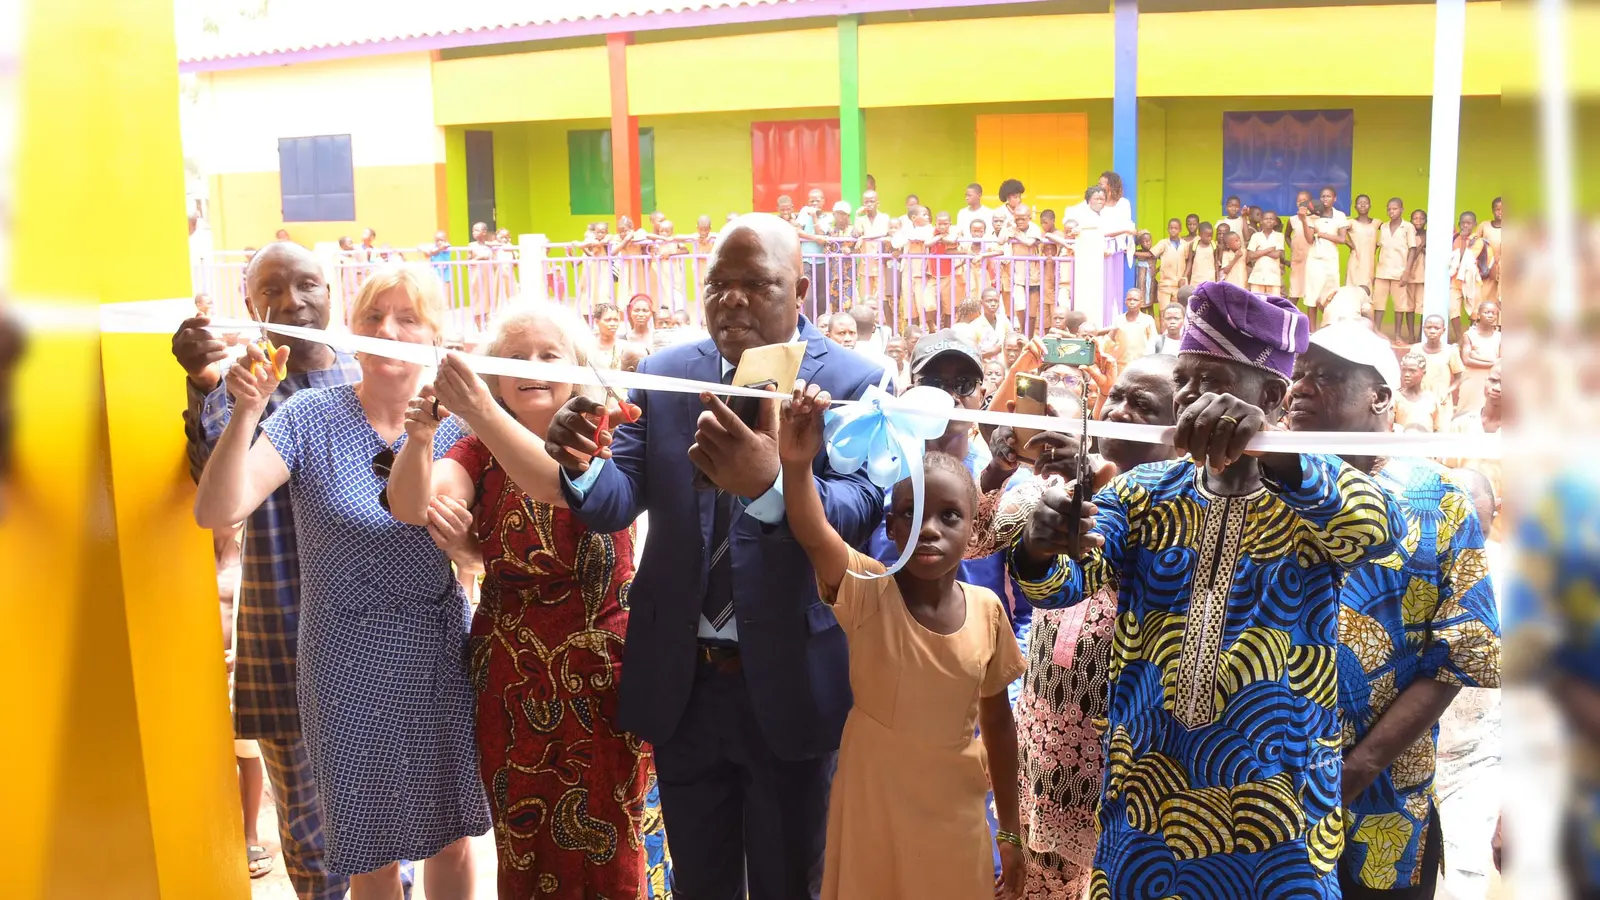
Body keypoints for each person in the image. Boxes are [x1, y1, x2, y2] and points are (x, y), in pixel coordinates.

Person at [1009, 281, 1401, 898]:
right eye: (1184, 381)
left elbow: (1378, 530)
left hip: (1279, 819)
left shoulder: (1312, 493)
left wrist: (1281, 459)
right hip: (1146, 809)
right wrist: (1041, 541)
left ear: (1271, 395)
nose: (1191, 398)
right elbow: (1062, 584)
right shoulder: (1144, 494)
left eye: (1210, 381)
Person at [540, 214, 887, 899]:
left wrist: (774, 485)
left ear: (800, 287)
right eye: (718, 285)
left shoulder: (854, 381)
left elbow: (857, 510)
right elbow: (618, 497)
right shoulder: (667, 374)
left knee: (792, 881)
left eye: (755, 284)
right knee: (700, 881)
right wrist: (579, 464)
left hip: (793, 687)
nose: (731, 299)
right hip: (685, 685)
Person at [191, 264, 490, 897]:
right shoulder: (309, 415)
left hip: (439, 653)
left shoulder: (461, 424)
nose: (388, 330)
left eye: (408, 318)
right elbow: (216, 511)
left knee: (454, 839)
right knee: (368, 850)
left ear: (434, 336)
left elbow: (484, 553)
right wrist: (245, 409)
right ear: (351, 332)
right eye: (373, 318)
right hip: (343, 661)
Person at [386, 302, 673, 898]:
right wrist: (418, 439)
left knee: (616, 836)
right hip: (510, 682)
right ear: (490, 371)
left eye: (549, 355)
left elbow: (558, 484)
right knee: (524, 843)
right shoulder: (474, 449)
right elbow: (413, 507)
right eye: (514, 357)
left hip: (605, 675)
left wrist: (480, 410)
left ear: (577, 369)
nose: (533, 367)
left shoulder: (607, 429)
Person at [172, 242, 373, 900]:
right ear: (251, 304)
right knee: (316, 845)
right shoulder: (247, 387)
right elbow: (214, 482)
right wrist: (206, 385)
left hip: (381, 644)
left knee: (389, 827)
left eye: (306, 284)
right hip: (289, 640)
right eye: (274, 290)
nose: (292, 301)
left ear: (332, 288)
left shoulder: (370, 373)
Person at [778, 381, 1026, 898]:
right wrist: (797, 466)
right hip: (875, 796)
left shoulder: (987, 611)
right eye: (910, 514)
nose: (928, 529)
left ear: (974, 525)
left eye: (949, 516)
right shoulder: (867, 591)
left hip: (953, 804)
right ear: (890, 526)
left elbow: (999, 728)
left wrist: (1011, 832)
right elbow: (811, 528)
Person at [1284, 322, 1500, 900]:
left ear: (1381, 396)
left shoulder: (1437, 498)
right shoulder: (1263, 486)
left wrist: (1357, 770)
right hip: (1263, 792)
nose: (1299, 389)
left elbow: (1465, 651)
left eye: (1325, 377)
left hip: (1382, 797)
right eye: (1297, 375)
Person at [1009, 354, 1180, 898]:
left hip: (1118, 761)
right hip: (1046, 748)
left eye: (1143, 405)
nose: (1122, 411)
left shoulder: (1179, 514)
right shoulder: (1069, 488)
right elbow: (984, 535)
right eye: (1118, 398)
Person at [1300, 185, 1351, 320]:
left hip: (1331, 261)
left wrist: (1321, 234)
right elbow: (1310, 239)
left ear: (1335, 198)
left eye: (1328, 196)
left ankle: (1330, 326)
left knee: (1331, 296)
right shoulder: (1313, 215)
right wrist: (1304, 220)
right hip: (1314, 261)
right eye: (1322, 196)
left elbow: (1342, 239)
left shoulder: (1340, 215)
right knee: (1312, 297)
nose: (1325, 199)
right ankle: (1311, 333)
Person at [1373, 199, 1417, 341]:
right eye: (1389, 209)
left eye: (1395, 209)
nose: (1392, 212)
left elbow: (1412, 250)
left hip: (1399, 273)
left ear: (1401, 210)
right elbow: (1379, 247)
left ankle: (1397, 335)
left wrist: (1407, 272)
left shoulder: (1408, 227)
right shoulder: (1384, 227)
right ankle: (1376, 332)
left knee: (1399, 306)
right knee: (1378, 304)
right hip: (1382, 272)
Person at [1412, 314, 1465, 420]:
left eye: (1437, 328)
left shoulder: (1451, 351)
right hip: (1419, 399)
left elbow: (1460, 376)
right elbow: (1408, 373)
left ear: (1443, 330)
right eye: (1428, 327)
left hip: (1441, 400)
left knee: (1441, 432)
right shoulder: (1415, 349)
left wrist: (1448, 391)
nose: (1432, 331)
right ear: (1423, 329)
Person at [1449, 211, 1492, 342]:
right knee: (1453, 309)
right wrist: (1460, 239)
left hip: (1472, 281)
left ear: (1474, 224)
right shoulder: (1454, 238)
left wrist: (1463, 242)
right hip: (1455, 281)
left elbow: (1465, 259)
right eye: (1463, 223)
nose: (1465, 226)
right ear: (1459, 223)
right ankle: (1458, 337)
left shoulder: (1478, 241)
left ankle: (1471, 337)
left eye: (1468, 223)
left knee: (1474, 311)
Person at [1458, 299, 1501, 416]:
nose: (1491, 315)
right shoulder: (1469, 335)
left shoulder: (1499, 337)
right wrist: (1493, 363)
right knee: (1467, 412)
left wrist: (1495, 363)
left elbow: (1502, 361)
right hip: (1471, 380)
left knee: (1486, 412)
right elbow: (1466, 360)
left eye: (1494, 313)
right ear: (1478, 315)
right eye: (1487, 312)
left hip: (1491, 381)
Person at [1393, 350, 1448, 432]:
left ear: (1423, 373)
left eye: (1412, 371)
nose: (1407, 374)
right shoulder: (1395, 398)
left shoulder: (1432, 399)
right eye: (1404, 370)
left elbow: (1438, 429)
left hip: (1426, 444)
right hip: (1403, 443)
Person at [1106, 288, 1156, 368]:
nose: (1132, 302)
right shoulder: (1118, 320)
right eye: (1129, 299)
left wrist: (1148, 363)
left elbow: (1152, 342)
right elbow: (1109, 341)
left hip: (1141, 366)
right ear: (1125, 302)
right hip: (1121, 366)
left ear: (1141, 302)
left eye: (1135, 300)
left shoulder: (1148, 320)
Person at [593, 302, 645, 372]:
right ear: (597, 322)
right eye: (608, 320)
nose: (613, 324)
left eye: (616, 320)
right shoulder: (589, 347)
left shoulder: (626, 348)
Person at [1286, 189, 1315, 306]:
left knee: (1313, 292)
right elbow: (1287, 235)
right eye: (1299, 200)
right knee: (1295, 291)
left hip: (1312, 260)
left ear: (1310, 202)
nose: (1301, 202)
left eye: (1304, 200)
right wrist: (1292, 247)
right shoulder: (1292, 219)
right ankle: (1289, 316)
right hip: (1298, 260)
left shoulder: (1315, 219)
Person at [1345, 194, 1379, 293]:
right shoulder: (1350, 222)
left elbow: (1389, 233)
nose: (1363, 205)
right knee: (1352, 292)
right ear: (1355, 207)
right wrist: (1348, 243)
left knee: (1367, 292)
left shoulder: (1377, 223)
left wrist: (1376, 246)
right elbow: (1337, 231)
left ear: (1370, 206)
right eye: (1360, 203)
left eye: (1366, 203)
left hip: (1369, 263)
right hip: (1355, 261)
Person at [1247, 212, 1285, 296]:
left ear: (1275, 222)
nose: (1269, 221)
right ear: (1261, 221)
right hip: (1257, 276)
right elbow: (1251, 255)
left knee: (1274, 304)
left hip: (1273, 277)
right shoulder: (1255, 236)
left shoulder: (1279, 236)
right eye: (1266, 219)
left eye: (1271, 219)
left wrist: (1259, 251)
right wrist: (1269, 249)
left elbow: (1277, 255)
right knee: (1256, 303)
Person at [1151, 218, 1187, 305]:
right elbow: (1152, 254)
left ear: (1180, 229)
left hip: (1180, 284)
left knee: (1178, 310)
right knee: (1164, 311)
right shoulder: (1163, 243)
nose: (1173, 230)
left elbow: (1188, 261)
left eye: (1176, 228)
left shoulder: (1185, 244)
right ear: (1168, 229)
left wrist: (1184, 278)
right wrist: (1134, 253)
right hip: (1165, 283)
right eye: (1171, 228)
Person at [1475, 197, 1503, 309]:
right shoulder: (1484, 226)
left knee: (1501, 297)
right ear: (1492, 210)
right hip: (1486, 268)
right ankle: (1484, 324)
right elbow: (1476, 243)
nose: (1500, 212)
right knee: (1484, 296)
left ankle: (1500, 325)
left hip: (1503, 269)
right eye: (1497, 209)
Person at [1186, 221, 1219, 286]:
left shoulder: (1214, 245)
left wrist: (1217, 278)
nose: (1210, 238)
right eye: (1207, 236)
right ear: (1200, 234)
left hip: (1210, 280)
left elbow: (1216, 262)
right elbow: (1189, 262)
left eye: (1211, 236)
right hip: (1196, 280)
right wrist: (1185, 276)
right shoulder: (1193, 245)